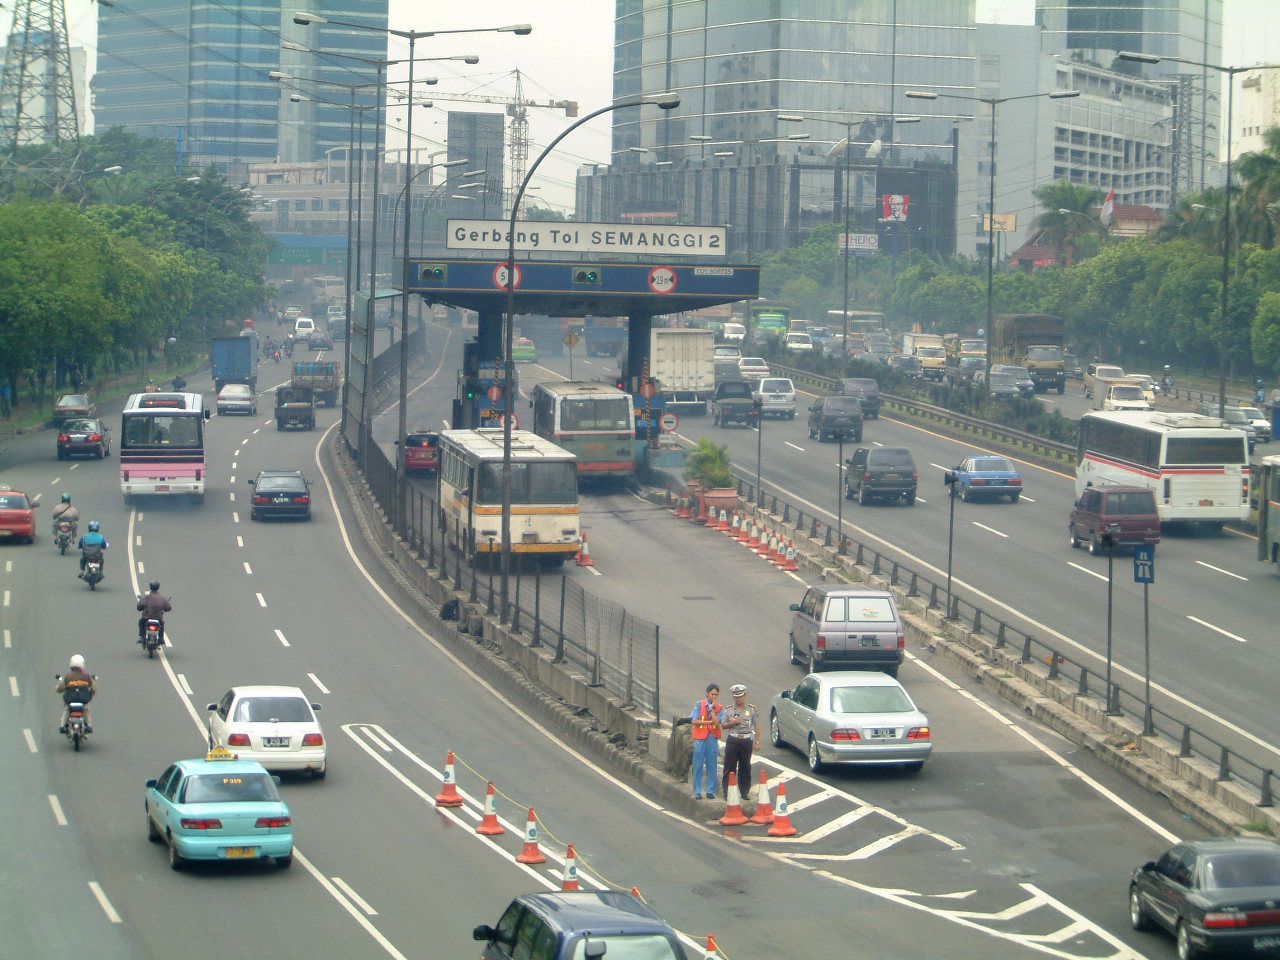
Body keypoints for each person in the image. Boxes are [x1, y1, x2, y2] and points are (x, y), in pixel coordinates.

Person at [720, 683, 760, 801]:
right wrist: (732, 722)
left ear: (745, 696)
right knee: (729, 766)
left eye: (740, 696)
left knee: (745, 766)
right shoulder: (728, 710)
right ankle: (727, 791)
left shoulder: (751, 710)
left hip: (746, 740)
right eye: (736, 697)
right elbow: (723, 725)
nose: (738, 699)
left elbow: (757, 725)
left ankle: (744, 791)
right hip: (733, 739)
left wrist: (757, 742)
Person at [689, 683, 724, 800]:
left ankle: (710, 790)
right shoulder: (699, 704)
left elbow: (717, 722)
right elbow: (693, 720)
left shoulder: (719, 707)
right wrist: (706, 723)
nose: (714, 697)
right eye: (712, 694)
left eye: (716, 695)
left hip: (712, 738)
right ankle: (697, 791)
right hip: (700, 737)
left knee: (712, 764)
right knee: (698, 764)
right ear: (707, 693)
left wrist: (712, 710)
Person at [57, 654, 96, 733]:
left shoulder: (67, 676)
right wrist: (91, 693)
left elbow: (60, 689)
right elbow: (93, 689)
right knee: (86, 709)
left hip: (70, 699)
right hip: (83, 700)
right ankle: (88, 725)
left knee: (66, 709)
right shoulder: (87, 676)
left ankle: (62, 726)